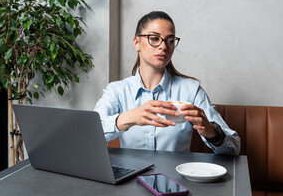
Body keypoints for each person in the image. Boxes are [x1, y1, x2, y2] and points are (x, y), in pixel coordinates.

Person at [94, 11, 240, 155]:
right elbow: (89, 135)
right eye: (155, 38)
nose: (163, 46)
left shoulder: (191, 90)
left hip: (175, 178)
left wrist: (212, 131)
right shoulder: (117, 90)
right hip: (131, 178)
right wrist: (128, 118)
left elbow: (234, 148)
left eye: (170, 41)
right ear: (136, 43)